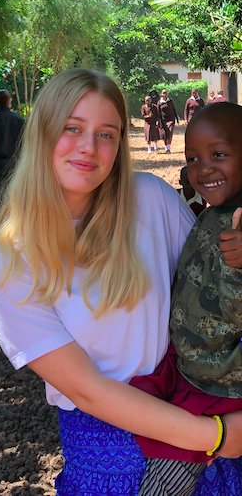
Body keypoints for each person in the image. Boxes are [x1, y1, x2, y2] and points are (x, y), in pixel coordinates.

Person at [0, 68, 242, 496]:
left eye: (107, 134)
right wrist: (218, 437)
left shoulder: (150, 199)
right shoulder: (6, 257)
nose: (88, 147)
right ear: (41, 132)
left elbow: (214, 290)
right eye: (72, 128)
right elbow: (87, 389)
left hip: (199, 398)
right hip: (110, 443)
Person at [132, 103, 242, 496]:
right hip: (191, 363)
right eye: (193, 158)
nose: (203, 169)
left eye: (219, 154)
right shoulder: (214, 212)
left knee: (168, 472)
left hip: (220, 383)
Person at [157, 89, 180, 154]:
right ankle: (166, 148)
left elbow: (174, 110)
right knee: (164, 134)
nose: (165, 94)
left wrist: (177, 119)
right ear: (161, 94)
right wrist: (157, 121)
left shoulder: (170, 101)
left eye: (166, 93)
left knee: (170, 132)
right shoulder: (159, 102)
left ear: (168, 94)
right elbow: (158, 113)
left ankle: (168, 149)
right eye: (163, 93)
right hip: (163, 120)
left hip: (171, 119)